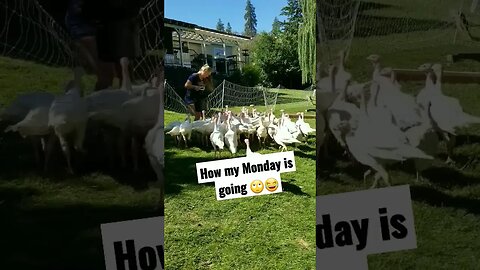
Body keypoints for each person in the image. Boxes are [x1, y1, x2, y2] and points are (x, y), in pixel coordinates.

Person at [64, 0, 115, 90]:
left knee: (107, 74)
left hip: (98, 21)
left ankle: (97, 100)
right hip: (84, 25)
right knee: (105, 74)